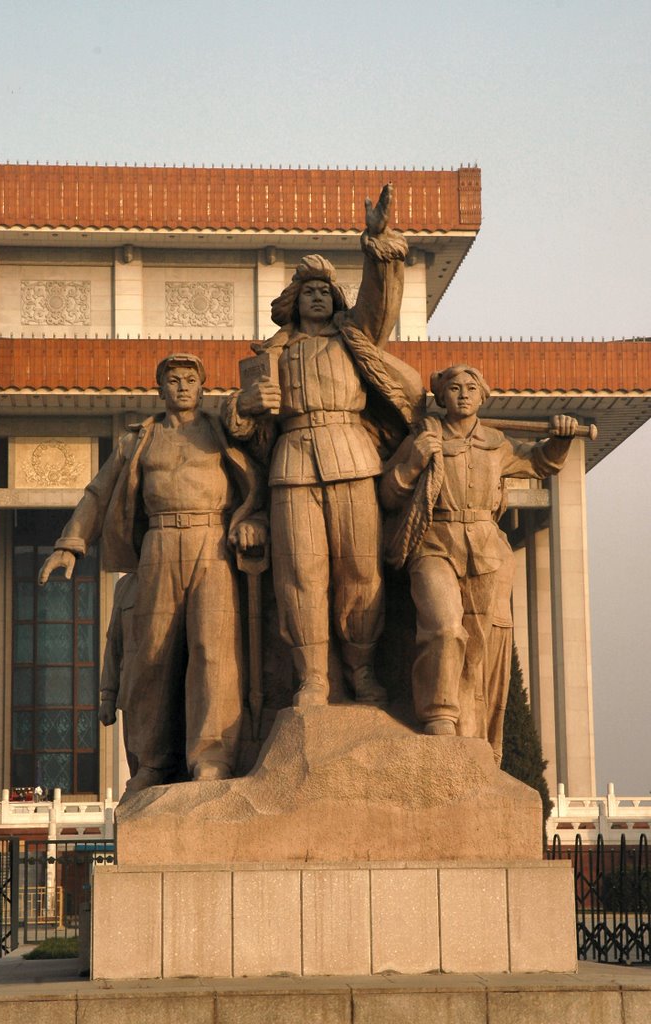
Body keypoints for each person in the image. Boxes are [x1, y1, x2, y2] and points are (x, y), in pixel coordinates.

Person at [225, 184, 418, 708]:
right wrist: (244, 405)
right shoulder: (270, 355)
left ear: (335, 300)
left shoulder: (353, 339)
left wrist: (376, 242)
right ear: (292, 301)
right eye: (307, 290)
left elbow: (379, 305)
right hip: (292, 467)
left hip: (353, 458)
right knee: (300, 577)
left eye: (324, 291)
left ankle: (360, 670)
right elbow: (238, 427)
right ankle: (313, 676)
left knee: (360, 570)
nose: (316, 296)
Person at [39, 354, 267, 793]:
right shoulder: (139, 440)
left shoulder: (220, 432)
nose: (182, 387)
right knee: (152, 656)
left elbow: (257, 480)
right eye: (173, 380)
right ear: (160, 389)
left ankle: (212, 756)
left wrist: (254, 522)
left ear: (202, 388)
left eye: (191, 380)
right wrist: (71, 543)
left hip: (213, 541)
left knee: (212, 649)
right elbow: (99, 491)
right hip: (159, 544)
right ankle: (152, 762)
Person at [380, 364, 578, 744]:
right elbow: (388, 494)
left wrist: (561, 440)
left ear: (483, 396)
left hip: (486, 550)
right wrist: (413, 463)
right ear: (442, 397)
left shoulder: (496, 443)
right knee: (444, 626)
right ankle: (437, 713)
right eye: (454, 388)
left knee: (478, 645)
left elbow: (541, 462)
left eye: (472, 388)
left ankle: (471, 731)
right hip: (434, 543)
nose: (464, 394)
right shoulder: (424, 438)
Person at [98, 571, 139, 779]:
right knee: (136, 763)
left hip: (167, 689)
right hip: (131, 687)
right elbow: (114, 642)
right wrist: (108, 696)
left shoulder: (172, 575)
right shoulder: (125, 585)